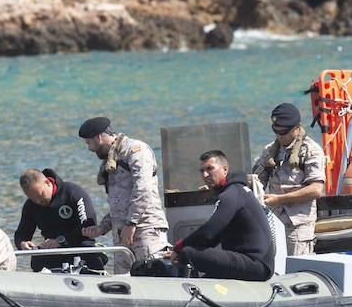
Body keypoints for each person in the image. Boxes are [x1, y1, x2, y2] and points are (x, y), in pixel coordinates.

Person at [77, 116, 170, 274]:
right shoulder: (111, 159)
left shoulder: (136, 150)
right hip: (122, 236)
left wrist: (131, 223)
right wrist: (103, 227)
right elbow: (119, 203)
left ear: (98, 137)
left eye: (88, 143)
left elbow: (144, 189)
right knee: (123, 286)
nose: (89, 148)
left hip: (146, 231)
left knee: (154, 277)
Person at [169, 150, 275, 281]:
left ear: (225, 169)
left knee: (187, 253)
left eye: (210, 169)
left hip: (255, 264)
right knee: (195, 259)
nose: (205, 174)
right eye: (202, 171)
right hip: (253, 263)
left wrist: (179, 248)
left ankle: (184, 293)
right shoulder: (236, 190)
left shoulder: (232, 193)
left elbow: (209, 231)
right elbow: (213, 238)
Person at [253, 102, 326, 256]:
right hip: (273, 222)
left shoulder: (311, 150)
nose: (280, 136)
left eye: (284, 132)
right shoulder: (269, 151)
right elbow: (256, 179)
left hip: (297, 226)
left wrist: (280, 199)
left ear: (297, 128)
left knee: (295, 269)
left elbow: (316, 190)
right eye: (276, 131)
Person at [14, 167, 105, 272]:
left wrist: (61, 241)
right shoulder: (30, 206)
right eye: (33, 198)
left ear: (48, 183)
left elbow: (88, 225)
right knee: (36, 261)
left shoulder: (73, 193)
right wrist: (22, 244)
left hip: (80, 246)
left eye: (40, 195)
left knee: (94, 261)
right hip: (53, 251)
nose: (38, 201)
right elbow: (21, 233)